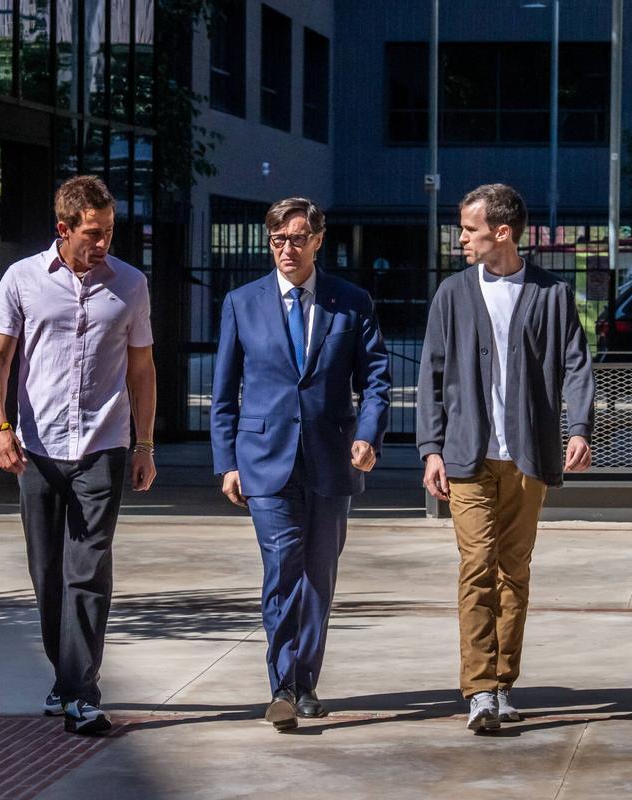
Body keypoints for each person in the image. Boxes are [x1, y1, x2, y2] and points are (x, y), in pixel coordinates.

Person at [0, 175, 157, 736]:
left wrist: (145, 444)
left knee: (87, 569)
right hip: (36, 449)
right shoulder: (22, 279)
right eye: (92, 233)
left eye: (108, 231)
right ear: (64, 229)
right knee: (47, 571)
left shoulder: (130, 284)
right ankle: (65, 680)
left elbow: (142, 370)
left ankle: (82, 692)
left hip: (102, 446)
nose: (103, 242)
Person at [417, 183, 595, 733]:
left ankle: (502, 682)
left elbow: (576, 363)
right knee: (477, 568)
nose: (460, 238)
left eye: (469, 229)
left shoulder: (552, 294)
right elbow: (432, 373)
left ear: (502, 232)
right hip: (467, 455)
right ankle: (478, 690)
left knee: (514, 570)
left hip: (527, 457)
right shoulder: (452, 293)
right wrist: (430, 449)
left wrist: (580, 427)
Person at [211, 197, 391, 732]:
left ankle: (306, 681)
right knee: (282, 566)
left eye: (296, 239)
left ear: (317, 240)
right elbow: (224, 395)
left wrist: (368, 435)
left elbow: (376, 378)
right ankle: (283, 685)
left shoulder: (350, 302)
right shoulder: (243, 302)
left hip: (333, 457)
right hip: (264, 460)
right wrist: (227, 462)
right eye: (277, 240)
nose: (286, 250)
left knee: (318, 574)